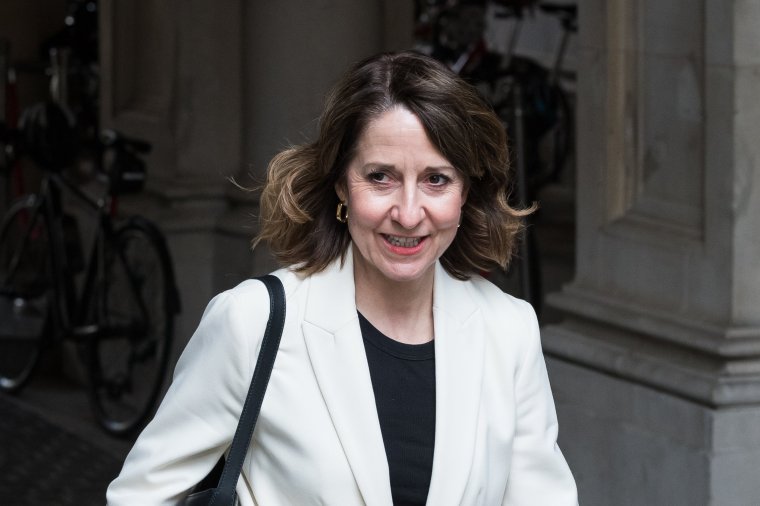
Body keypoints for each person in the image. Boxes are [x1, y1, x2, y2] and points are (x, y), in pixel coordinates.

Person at [106, 50, 577, 505]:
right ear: (340, 185)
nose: (409, 213)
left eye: (437, 179)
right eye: (380, 177)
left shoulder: (508, 330)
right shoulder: (254, 321)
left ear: (466, 191)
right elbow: (140, 495)